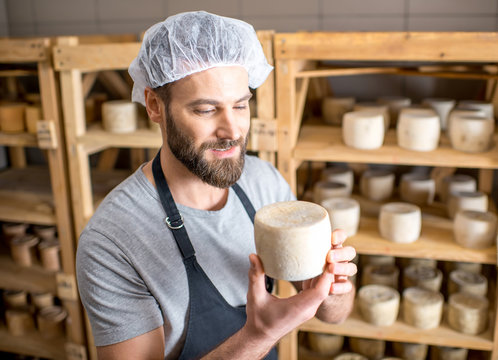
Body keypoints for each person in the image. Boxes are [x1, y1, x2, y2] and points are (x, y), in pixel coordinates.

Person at [76, 11, 357, 360]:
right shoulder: (112, 242)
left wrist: (333, 287)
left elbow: (335, 315)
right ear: (154, 106)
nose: (232, 130)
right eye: (207, 110)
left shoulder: (265, 184)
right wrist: (259, 336)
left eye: (240, 105)